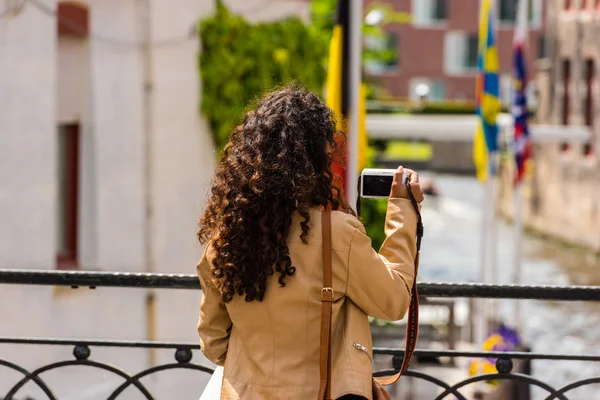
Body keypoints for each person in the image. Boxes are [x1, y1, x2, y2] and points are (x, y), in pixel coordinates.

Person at [196, 86, 424, 400]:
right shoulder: (337, 234)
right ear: (317, 161)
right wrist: (403, 212)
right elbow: (394, 300)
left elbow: (213, 342)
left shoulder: (226, 242)